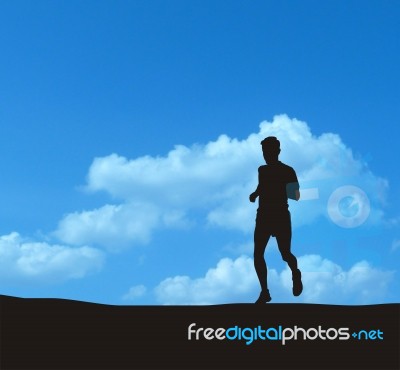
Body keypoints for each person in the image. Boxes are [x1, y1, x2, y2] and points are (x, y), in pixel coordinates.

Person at [249, 136, 303, 303]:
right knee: (258, 254)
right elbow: (261, 186)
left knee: (285, 254)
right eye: (264, 152)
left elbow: (296, 196)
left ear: (278, 151)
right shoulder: (262, 170)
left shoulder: (288, 171)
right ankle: (264, 291)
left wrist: (285, 189)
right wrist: (255, 194)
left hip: (280, 215)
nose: (266, 155)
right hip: (263, 215)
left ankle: (295, 273)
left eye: (269, 151)